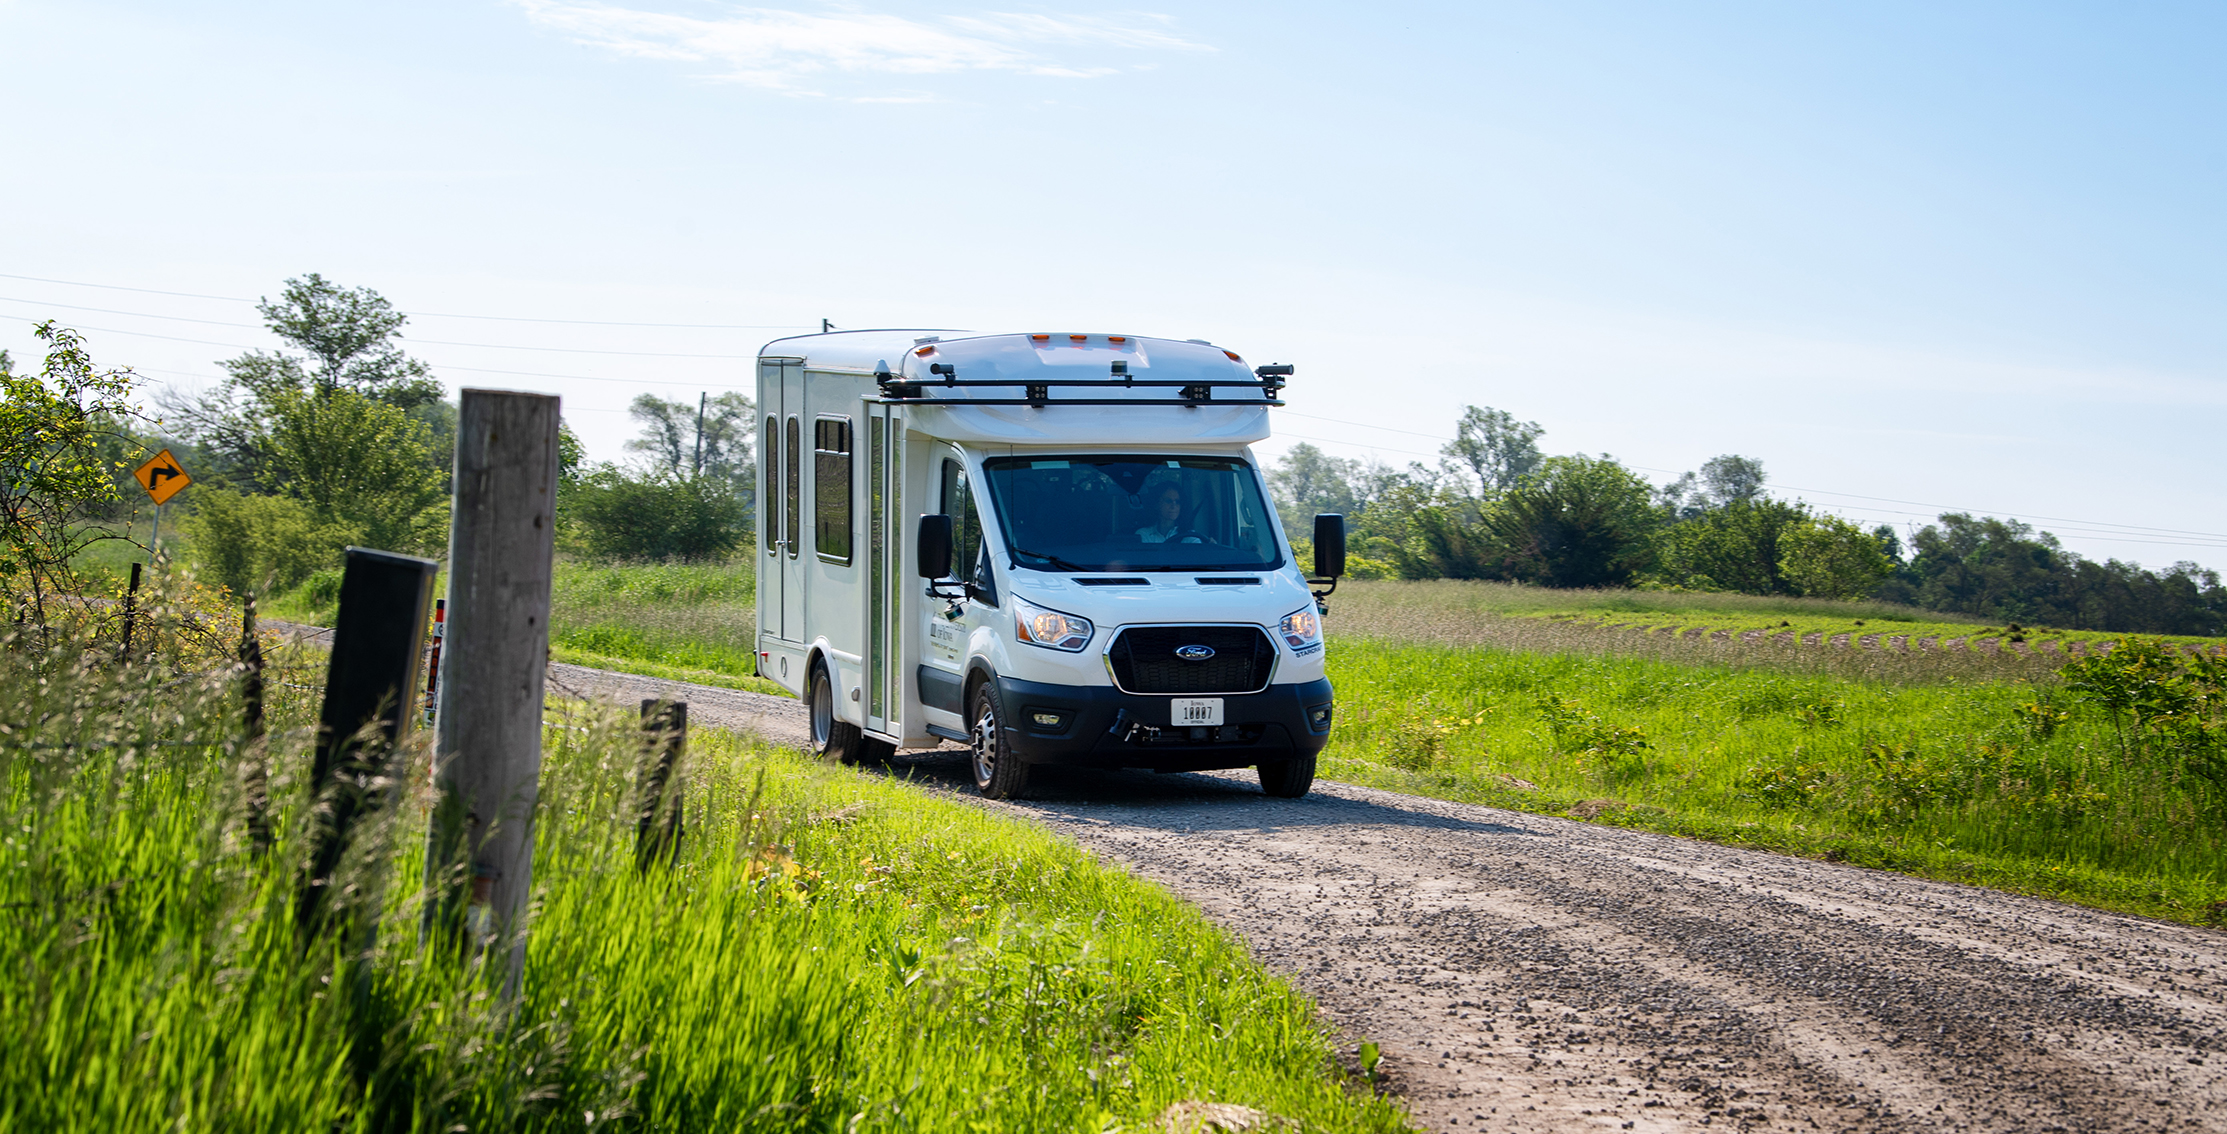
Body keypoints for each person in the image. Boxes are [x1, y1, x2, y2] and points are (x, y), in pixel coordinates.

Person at [1136, 483, 1203, 544]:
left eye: (1177, 502)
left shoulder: (1190, 536)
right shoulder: (1143, 535)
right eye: (1168, 501)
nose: (1173, 506)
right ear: (1156, 504)